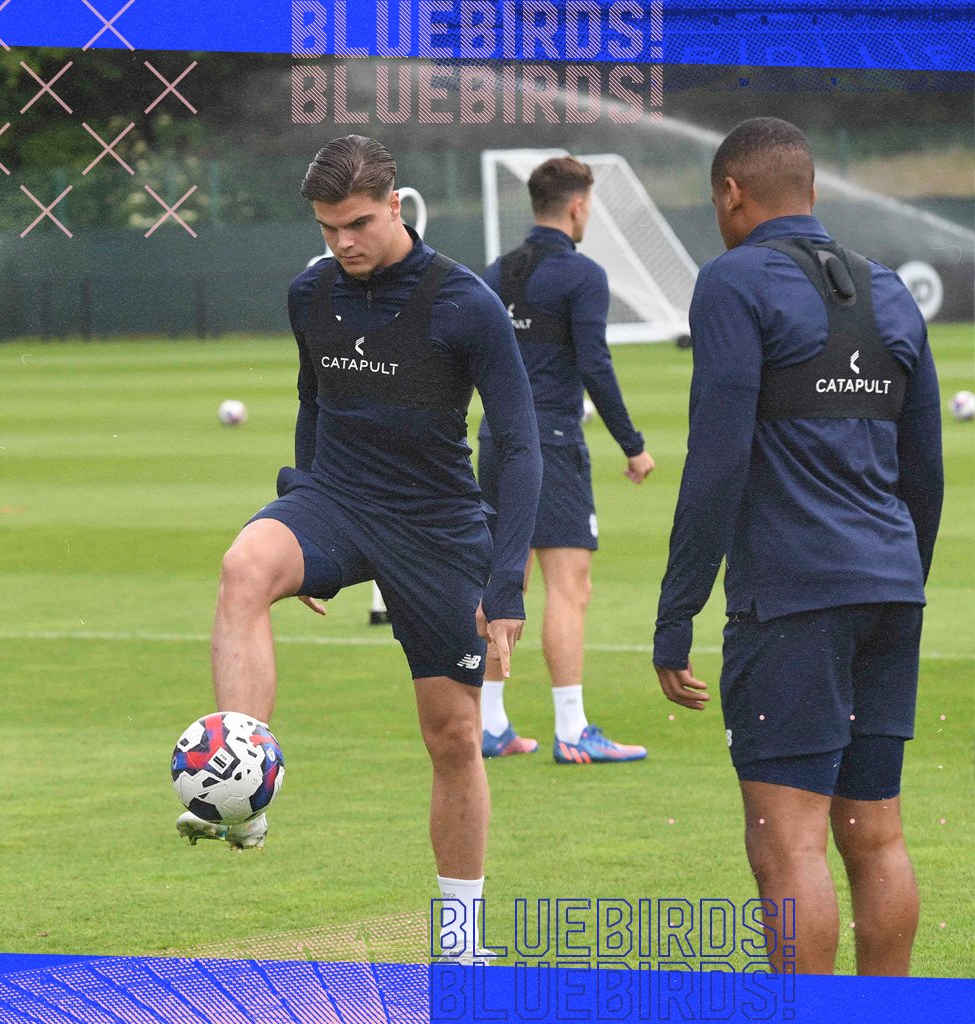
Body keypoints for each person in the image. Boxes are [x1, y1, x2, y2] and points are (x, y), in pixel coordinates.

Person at [176, 135, 542, 958]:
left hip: (439, 525)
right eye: (328, 226)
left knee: (452, 735)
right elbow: (314, 402)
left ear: (397, 203)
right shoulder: (310, 292)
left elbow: (518, 445)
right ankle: (243, 789)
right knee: (244, 568)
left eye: (359, 223)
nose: (343, 241)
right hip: (336, 500)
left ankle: (460, 938)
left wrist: (507, 580)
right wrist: (303, 506)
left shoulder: (467, 303)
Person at [653, 118, 943, 975]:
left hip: (792, 600)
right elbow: (924, 473)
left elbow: (716, 462)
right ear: (811, 191)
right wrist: (896, 583)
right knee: (876, 836)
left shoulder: (732, 282)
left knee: (790, 847)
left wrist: (676, 617)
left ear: (733, 195)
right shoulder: (889, 287)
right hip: (892, 590)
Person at [478, 155, 655, 764]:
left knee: (506, 576)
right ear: (578, 206)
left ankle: (490, 723)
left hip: (496, 443)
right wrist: (632, 444)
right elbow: (595, 366)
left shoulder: (495, 273)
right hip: (551, 442)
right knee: (568, 587)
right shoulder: (582, 276)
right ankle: (573, 730)